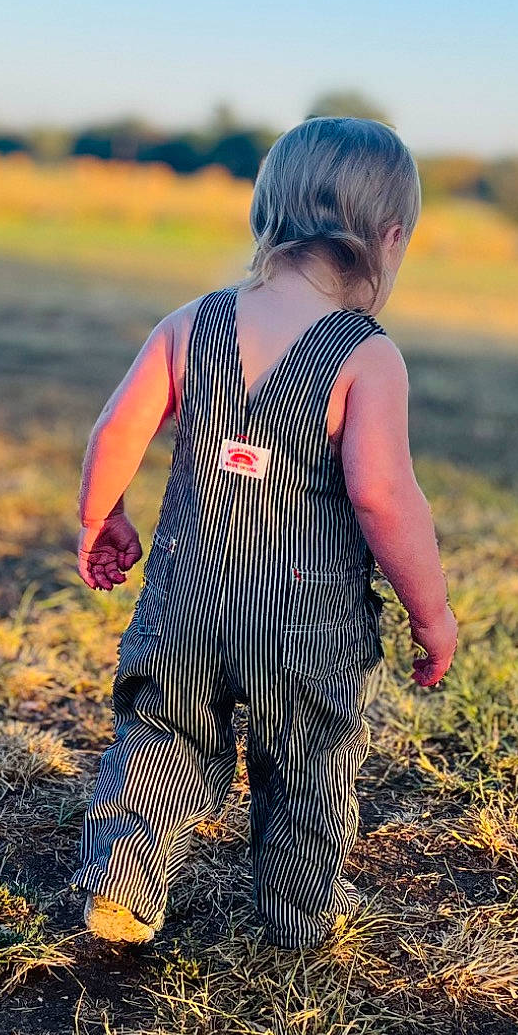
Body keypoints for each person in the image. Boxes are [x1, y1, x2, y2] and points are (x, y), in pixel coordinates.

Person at [72, 115, 457, 948]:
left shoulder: (192, 322)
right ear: (389, 239)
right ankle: (296, 914)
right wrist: (432, 613)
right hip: (306, 623)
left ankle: (124, 882)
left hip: (185, 599)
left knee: (164, 734)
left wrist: (104, 517)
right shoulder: (366, 356)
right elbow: (385, 498)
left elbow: (115, 430)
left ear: (264, 217)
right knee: (309, 760)